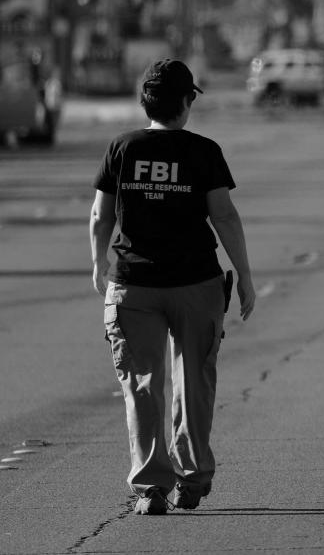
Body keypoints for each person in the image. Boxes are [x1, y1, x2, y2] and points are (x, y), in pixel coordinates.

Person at [90, 58, 256, 516]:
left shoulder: (121, 147)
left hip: (133, 284)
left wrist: (97, 262)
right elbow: (223, 215)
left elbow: (101, 214)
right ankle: (193, 476)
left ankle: (151, 488)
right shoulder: (203, 151)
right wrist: (244, 274)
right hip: (196, 285)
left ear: (146, 101)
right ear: (186, 104)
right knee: (194, 381)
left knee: (143, 386)